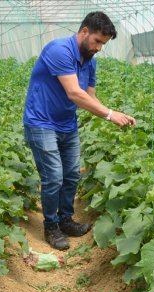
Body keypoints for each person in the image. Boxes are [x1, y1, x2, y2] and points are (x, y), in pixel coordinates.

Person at [23, 11, 136, 250]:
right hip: (41, 123)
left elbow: (90, 96)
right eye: (97, 41)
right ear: (84, 31)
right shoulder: (59, 51)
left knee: (72, 174)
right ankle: (51, 225)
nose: (99, 48)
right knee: (53, 176)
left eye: (103, 44)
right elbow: (74, 93)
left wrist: (113, 113)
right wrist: (109, 114)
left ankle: (65, 219)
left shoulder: (90, 62)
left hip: (66, 124)